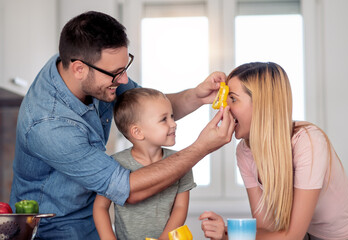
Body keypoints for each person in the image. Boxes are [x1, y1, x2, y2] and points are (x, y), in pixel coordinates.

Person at [9, 11, 235, 239]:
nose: (125, 80)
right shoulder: (49, 124)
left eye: (125, 67)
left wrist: (197, 96)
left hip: (89, 219)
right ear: (79, 69)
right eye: (116, 73)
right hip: (54, 230)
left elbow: (147, 111)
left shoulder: (82, 65)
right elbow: (127, 190)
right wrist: (202, 147)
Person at [199, 62, 348, 240]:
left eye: (233, 99)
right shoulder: (244, 151)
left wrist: (230, 235)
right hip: (307, 234)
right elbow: (265, 229)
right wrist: (225, 233)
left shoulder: (308, 142)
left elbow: (292, 236)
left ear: (262, 106)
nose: (223, 108)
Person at [93, 88, 196, 240]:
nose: (174, 124)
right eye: (164, 119)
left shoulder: (182, 163)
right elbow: (100, 207)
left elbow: (180, 208)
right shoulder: (115, 164)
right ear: (138, 132)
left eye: (172, 116)